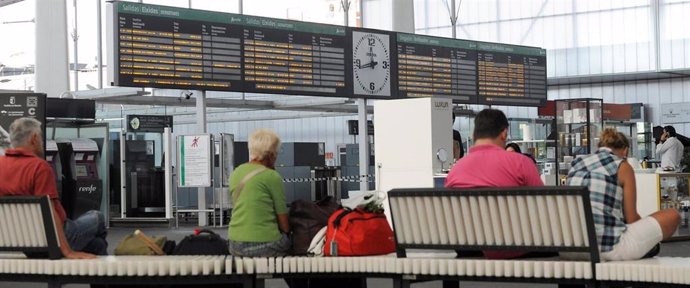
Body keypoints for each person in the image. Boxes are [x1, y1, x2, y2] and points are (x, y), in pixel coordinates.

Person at [567, 128, 680, 261]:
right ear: (625, 151)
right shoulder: (622, 166)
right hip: (606, 248)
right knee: (672, 215)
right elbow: (631, 218)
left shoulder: (576, 164)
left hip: (571, 247)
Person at [0, 118, 106, 259]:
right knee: (97, 216)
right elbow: (50, 212)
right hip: (51, 239)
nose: (42, 142)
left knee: (97, 244)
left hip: (24, 241)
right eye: (41, 137)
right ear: (34, 138)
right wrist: (67, 251)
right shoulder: (39, 167)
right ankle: (110, 276)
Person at [445, 109, 543, 259]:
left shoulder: (455, 170)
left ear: (474, 134)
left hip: (468, 247)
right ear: (504, 134)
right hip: (513, 246)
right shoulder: (521, 162)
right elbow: (543, 206)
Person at [228, 128, 290, 257]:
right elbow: (284, 224)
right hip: (264, 245)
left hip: (235, 245)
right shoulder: (272, 176)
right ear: (271, 154)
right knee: (294, 241)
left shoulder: (236, 173)